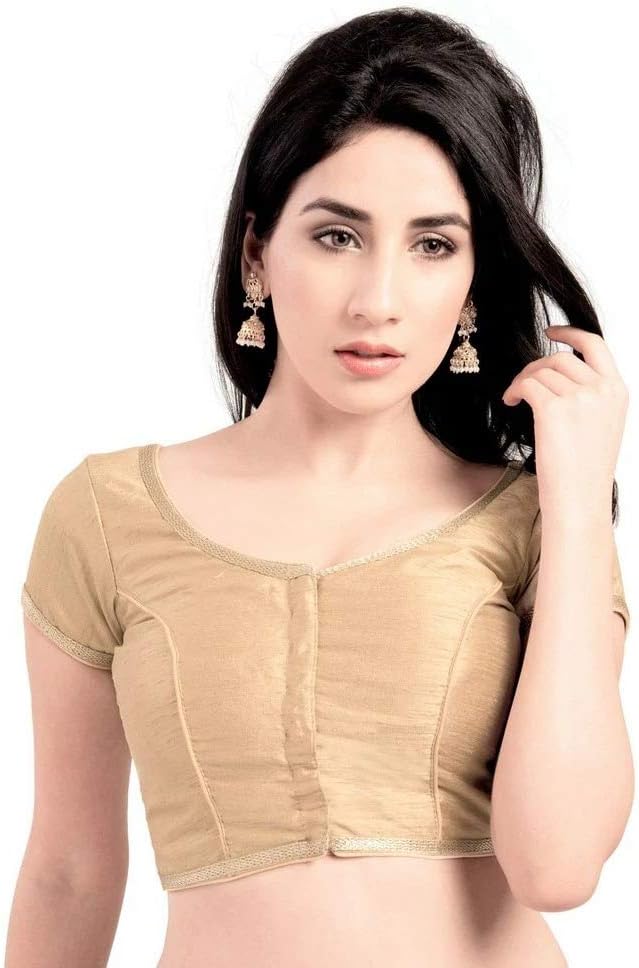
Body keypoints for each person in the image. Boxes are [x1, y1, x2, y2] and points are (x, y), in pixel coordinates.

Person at [6, 7, 632, 967]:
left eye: (432, 245)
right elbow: (68, 874)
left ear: (472, 282)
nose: (377, 300)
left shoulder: (533, 521)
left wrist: (577, 501)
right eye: (338, 235)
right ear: (257, 251)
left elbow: (555, 869)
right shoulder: (107, 516)